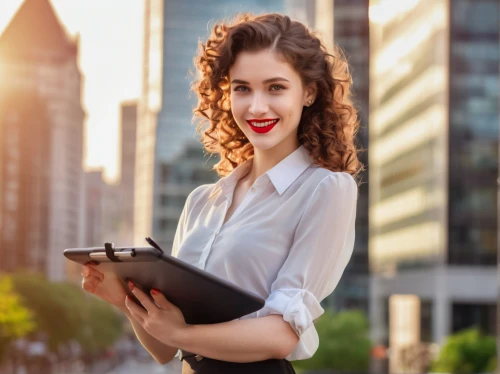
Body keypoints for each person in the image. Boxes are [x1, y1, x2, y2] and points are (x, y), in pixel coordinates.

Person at [81, 12, 363, 374]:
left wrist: (183, 333)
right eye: (242, 88)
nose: (257, 106)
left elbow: (282, 335)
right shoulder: (202, 200)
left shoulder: (325, 189)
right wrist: (124, 300)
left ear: (308, 92)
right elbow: (166, 349)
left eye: (276, 87)